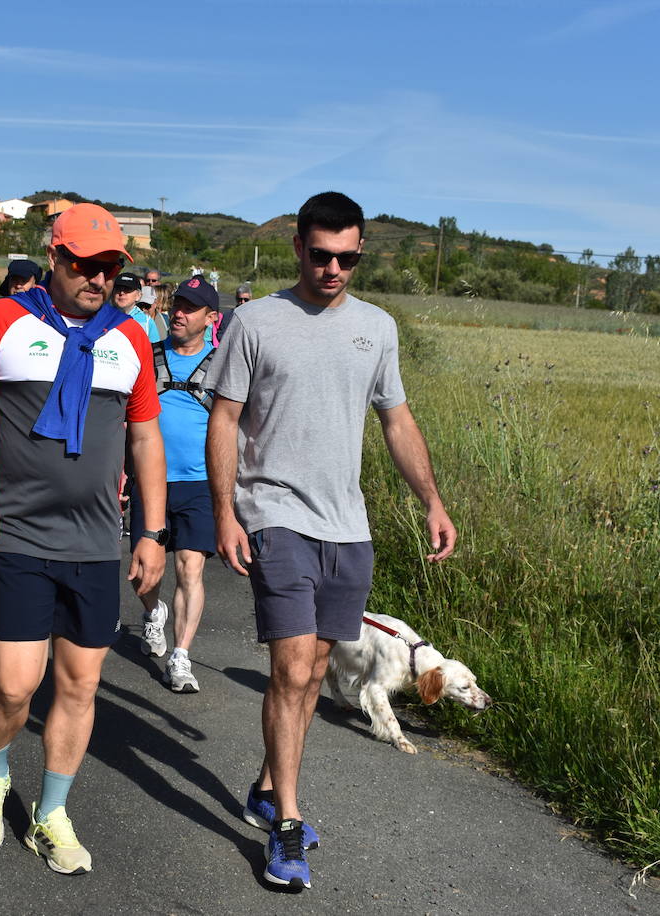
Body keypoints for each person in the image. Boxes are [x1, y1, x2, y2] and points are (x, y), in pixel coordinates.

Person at [206, 191, 457, 890]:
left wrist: (432, 500)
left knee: (315, 672)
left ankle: (265, 786)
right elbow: (224, 420)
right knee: (290, 670)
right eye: (322, 255)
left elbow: (397, 421)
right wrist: (227, 512)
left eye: (348, 258)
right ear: (298, 246)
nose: (334, 269)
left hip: (347, 526)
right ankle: (286, 823)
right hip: (275, 513)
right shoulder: (256, 322)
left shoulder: (376, 329)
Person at [0, 202, 166, 875]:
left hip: (96, 543)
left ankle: (51, 813)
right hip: (17, 535)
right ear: (55, 257)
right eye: (84, 264)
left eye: (109, 268)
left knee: (80, 683)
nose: (97, 278)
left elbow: (145, 436)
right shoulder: (4, 321)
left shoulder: (129, 337)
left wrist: (151, 530)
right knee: (13, 686)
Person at [132, 276, 220, 694]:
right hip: (150, 483)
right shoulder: (146, 356)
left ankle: (180, 658)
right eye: (177, 305)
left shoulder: (223, 365)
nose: (179, 313)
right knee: (143, 575)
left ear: (211, 318)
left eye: (190, 307)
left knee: (191, 566)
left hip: (200, 483)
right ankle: (154, 613)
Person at [111, 271, 163, 343]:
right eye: (118, 289)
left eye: (127, 289)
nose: (121, 293)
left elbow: (155, 351)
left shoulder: (147, 322)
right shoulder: (103, 317)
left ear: (138, 295)